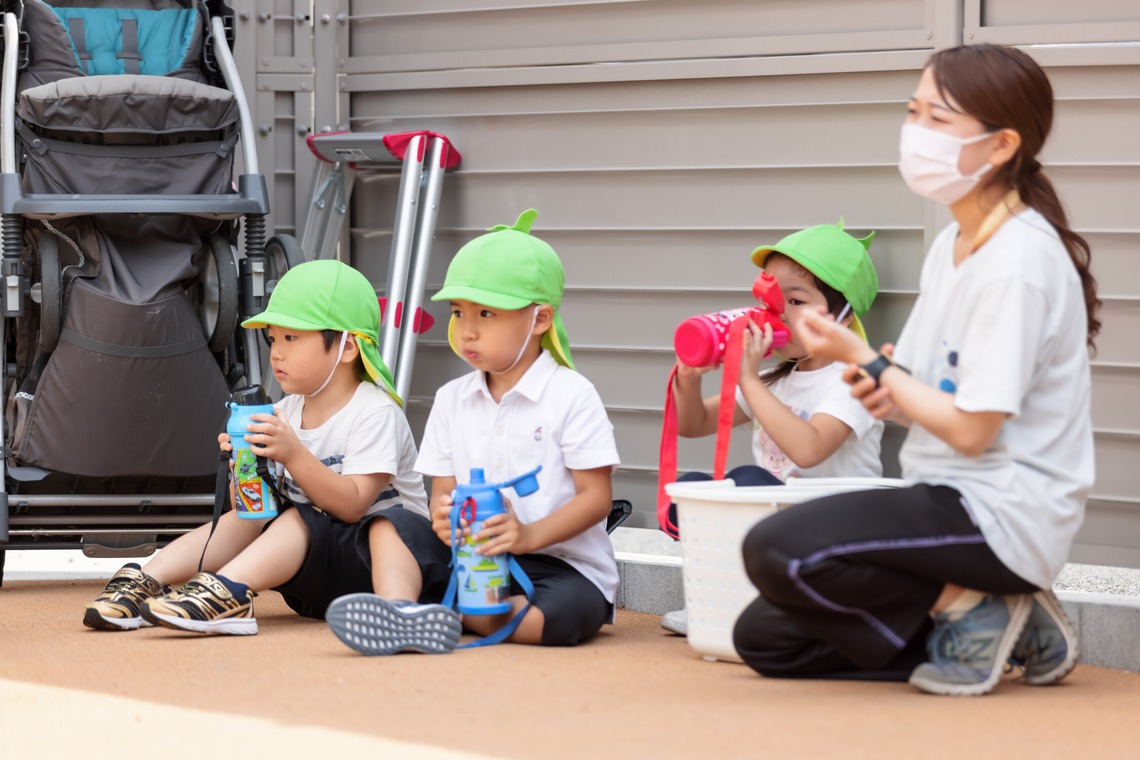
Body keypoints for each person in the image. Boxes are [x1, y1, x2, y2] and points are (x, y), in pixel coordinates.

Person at [732, 43, 1099, 696]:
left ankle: (975, 605)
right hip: (941, 497)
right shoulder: (951, 244)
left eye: (938, 118)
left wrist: (860, 358)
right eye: (913, 112)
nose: (916, 132)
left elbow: (974, 431)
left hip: (1001, 514)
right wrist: (887, 391)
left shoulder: (1018, 263)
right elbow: (930, 392)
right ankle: (1009, 626)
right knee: (765, 638)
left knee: (775, 549)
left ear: (1001, 145)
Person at [83, 260, 451, 641]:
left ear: (346, 347)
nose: (276, 353)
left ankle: (227, 590)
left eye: (291, 338)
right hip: (318, 577)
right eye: (273, 340)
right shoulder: (285, 411)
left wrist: (292, 454)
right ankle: (148, 580)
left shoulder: (374, 412)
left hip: (387, 570)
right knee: (255, 515)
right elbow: (248, 508)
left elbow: (354, 505)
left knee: (299, 518)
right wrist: (244, 467)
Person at [324, 208, 621, 653]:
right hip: (472, 558)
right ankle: (401, 611)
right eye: (459, 313)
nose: (467, 331)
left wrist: (527, 535)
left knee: (561, 616)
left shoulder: (572, 395)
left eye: (485, 313)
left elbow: (596, 499)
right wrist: (444, 521)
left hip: (560, 565)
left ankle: (453, 615)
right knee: (391, 522)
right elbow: (442, 495)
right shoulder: (451, 398)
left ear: (540, 319)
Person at [660, 223, 885, 635]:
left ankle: (751, 604)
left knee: (748, 483)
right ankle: (728, 600)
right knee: (690, 491)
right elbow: (694, 425)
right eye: (771, 299)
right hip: (777, 524)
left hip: (836, 532)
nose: (777, 312)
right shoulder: (774, 379)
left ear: (844, 316)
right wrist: (689, 379)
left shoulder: (853, 380)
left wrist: (747, 379)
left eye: (795, 301)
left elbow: (810, 450)